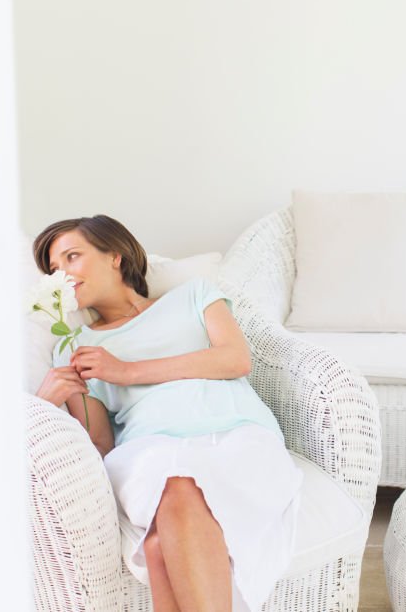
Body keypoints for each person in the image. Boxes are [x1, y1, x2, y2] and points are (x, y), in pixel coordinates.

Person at [32, 214, 302, 612]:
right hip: (148, 451)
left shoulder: (194, 295)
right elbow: (99, 443)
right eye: (54, 269)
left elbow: (235, 359)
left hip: (238, 435)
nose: (63, 275)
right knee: (177, 482)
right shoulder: (75, 347)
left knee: (161, 546)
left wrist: (125, 372)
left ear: (116, 256)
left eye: (72, 257)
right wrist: (46, 404)